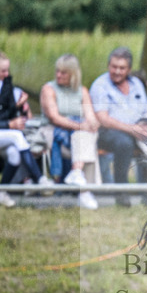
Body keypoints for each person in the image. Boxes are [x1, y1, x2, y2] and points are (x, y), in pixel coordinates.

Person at [0, 48, 52, 207]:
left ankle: (1, 192)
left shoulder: (5, 83)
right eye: (3, 70)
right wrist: (9, 125)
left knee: (14, 154)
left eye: (7, 70)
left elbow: (8, 113)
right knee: (16, 136)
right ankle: (39, 178)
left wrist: (18, 106)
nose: (7, 74)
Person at [89, 46, 147, 205]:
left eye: (122, 68)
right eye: (114, 67)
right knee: (124, 142)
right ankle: (121, 192)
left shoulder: (136, 83)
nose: (117, 71)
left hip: (137, 128)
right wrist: (132, 129)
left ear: (129, 69)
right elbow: (103, 118)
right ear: (108, 66)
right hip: (107, 132)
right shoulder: (100, 85)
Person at [40, 54, 100, 210]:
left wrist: (92, 124)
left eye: (64, 72)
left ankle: (77, 172)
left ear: (73, 74)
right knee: (85, 137)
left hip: (76, 133)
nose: (59, 75)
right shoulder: (49, 89)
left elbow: (90, 117)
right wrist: (81, 126)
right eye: (57, 71)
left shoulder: (82, 91)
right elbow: (54, 118)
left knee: (86, 135)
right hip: (53, 132)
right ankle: (85, 192)